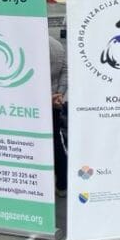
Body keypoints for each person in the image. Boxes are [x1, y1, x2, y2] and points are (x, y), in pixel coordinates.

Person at [48, 36, 69, 198]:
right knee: (56, 142)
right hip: (53, 101)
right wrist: (59, 94)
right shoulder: (55, 44)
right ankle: (62, 183)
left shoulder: (26, 44)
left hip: (28, 106)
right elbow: (65, 70)